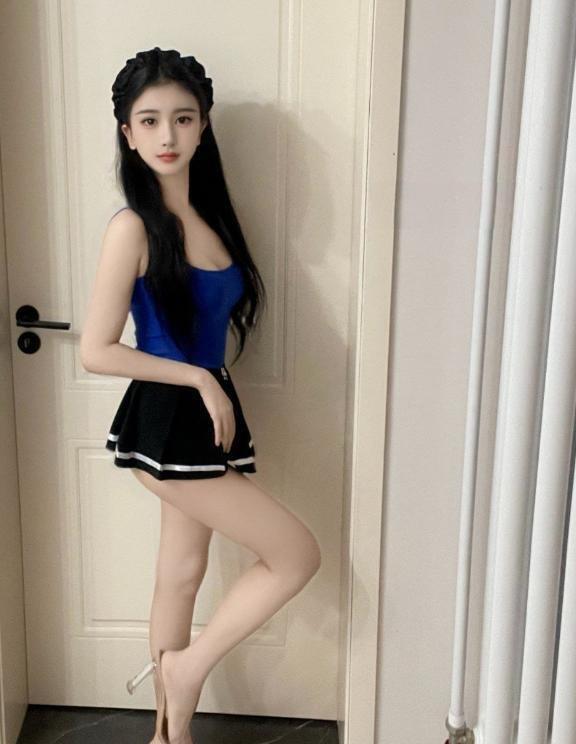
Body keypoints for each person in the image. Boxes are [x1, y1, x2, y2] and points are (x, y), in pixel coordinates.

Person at [80, 47, 321, 744]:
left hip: (207, 410)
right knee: (297, 555)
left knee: (182, 572)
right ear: (127, 132)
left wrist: (210, 383)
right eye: (150, 120)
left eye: (183, 119)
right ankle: (186, 671)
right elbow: (97, 350)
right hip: (170, 413)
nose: (167, 136)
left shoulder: (212, 218)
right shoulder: (133, 227)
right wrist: (195, 378)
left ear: (203, 125)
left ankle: (168, 735)